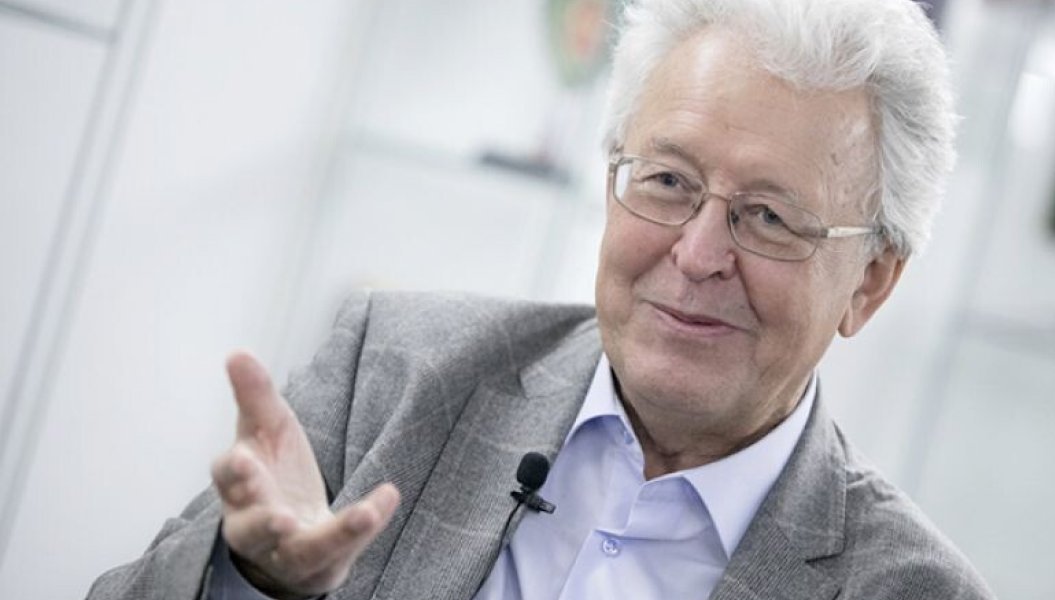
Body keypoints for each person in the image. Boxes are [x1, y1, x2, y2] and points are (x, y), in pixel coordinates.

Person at [90, 0, 994, 598]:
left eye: (768, 217)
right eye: (667, 181)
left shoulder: (912, 589)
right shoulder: (393, 373)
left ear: (870, 281)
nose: (697, 254)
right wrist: (253, 584)